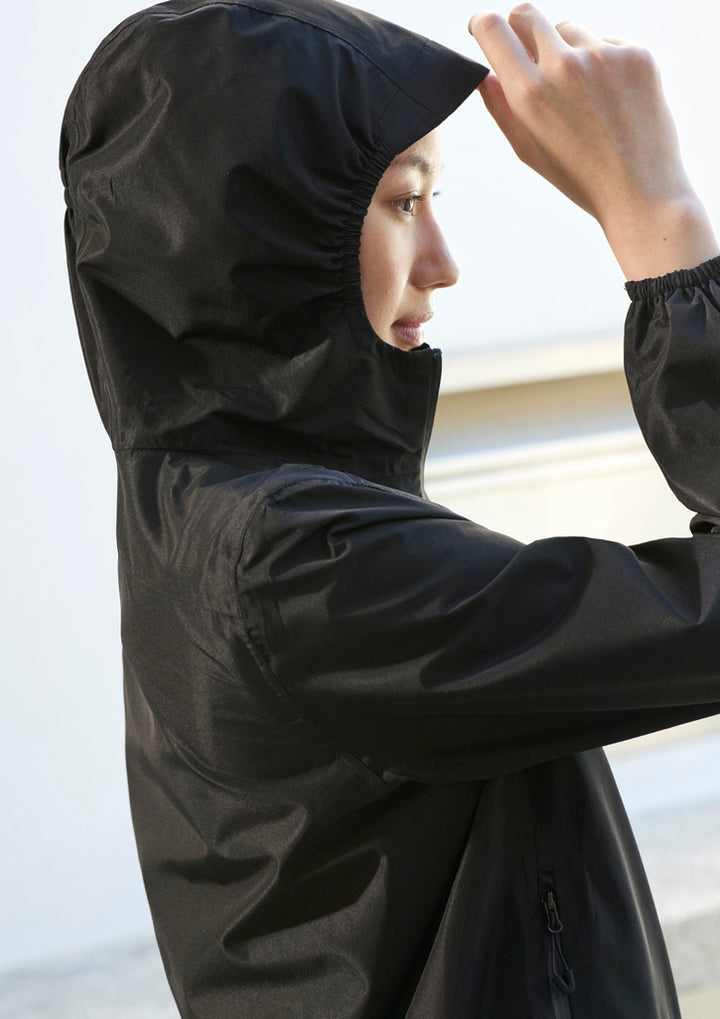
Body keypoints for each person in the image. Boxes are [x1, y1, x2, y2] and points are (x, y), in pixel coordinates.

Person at [60, 0, 720, 1015]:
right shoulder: (296, 562)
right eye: (405, 201)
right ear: (259, 242)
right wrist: (659, 219)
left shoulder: (221, 507)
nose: (444, 261)